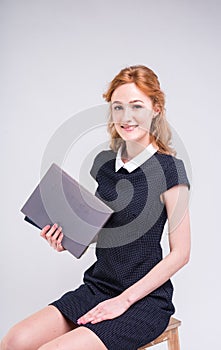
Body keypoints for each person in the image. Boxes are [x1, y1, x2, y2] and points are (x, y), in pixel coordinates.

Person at [1, 65, 191, 350]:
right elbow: (106, 226)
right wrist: (68, 239)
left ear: (156, 110)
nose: (126, 117)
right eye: (118, 107)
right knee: (14, 341)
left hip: (143, 301)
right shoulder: (103, 164)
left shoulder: (169, 171)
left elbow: (182, 254)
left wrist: (123, 301)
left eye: (137, 106)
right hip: (98, 288)